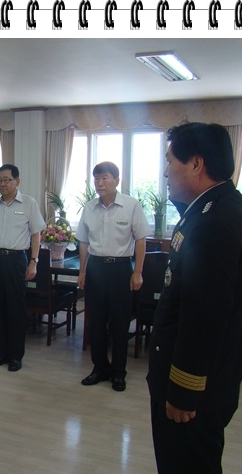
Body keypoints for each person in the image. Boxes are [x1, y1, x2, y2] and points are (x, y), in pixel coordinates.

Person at [147, 122, 242, 474]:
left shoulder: (214, 221)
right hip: (202, 381)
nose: (165, 172)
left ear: (196, 164)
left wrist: (184, 392)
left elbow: (203, 317)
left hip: (194, 393)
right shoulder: (214, 206)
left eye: (169, 162)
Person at [76, 161, 151, 392]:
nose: (100, 183)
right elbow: (83, 242)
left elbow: (140, 239)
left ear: (117, 180)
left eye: (105, 178)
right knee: (96, 322)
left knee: (119, 323)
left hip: (120, 269)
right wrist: (82, 271)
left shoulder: (131, 205)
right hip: (96, 268)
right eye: (97, 178)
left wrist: (138, 272)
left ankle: (119, 372)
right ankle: (100, 368)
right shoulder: (89, 207)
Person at [0, 164, 45, 372]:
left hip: (16, 260)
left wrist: (34, 261)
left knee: (16, 308)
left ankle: (16, 356)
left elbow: (36, 234)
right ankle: (2, 352)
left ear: (17, 181)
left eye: (6, 180)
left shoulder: (29, 203)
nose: (2, 184)